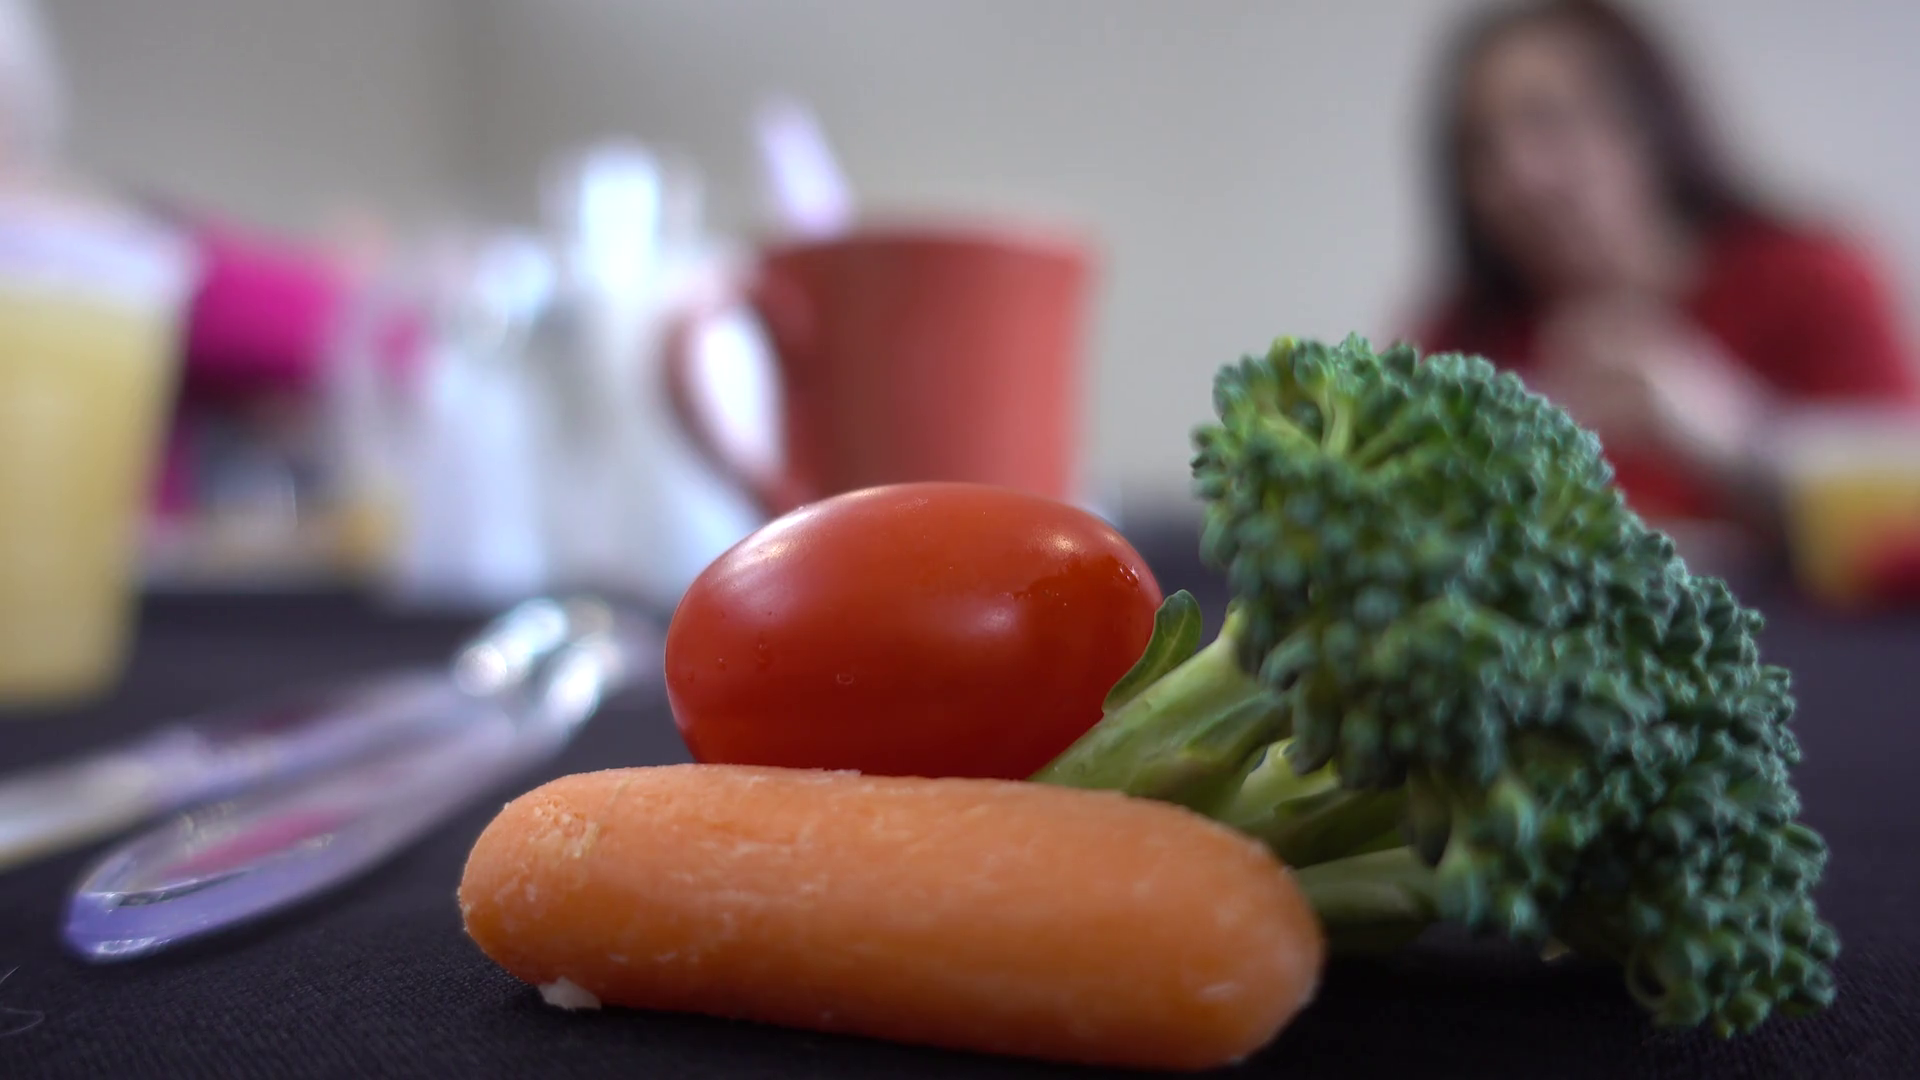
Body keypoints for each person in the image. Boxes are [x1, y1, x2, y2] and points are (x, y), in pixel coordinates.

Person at [1410, 0, 1919, 538]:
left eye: (1548, 120)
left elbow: (1902, 514)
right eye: (1480, 147)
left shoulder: (1810, 277)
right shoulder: (1462, 341)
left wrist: (1735, 435)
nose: (1517, 174)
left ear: (1644, 122)